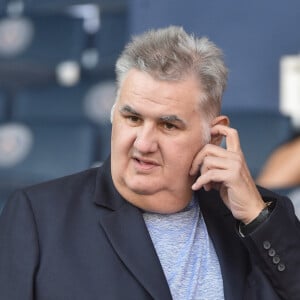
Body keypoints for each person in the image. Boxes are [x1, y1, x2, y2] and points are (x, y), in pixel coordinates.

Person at [0, 26, 299, 300]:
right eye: (132, 118)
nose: (143, 143)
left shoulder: (262, 219)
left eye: (168, 126)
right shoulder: (38, 216)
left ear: (213, 137)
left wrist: (257, 218)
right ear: (113, 115)